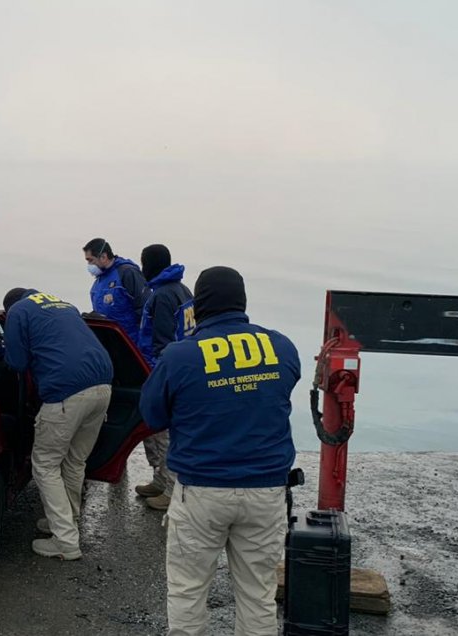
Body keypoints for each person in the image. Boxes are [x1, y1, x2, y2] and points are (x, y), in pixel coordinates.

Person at [139, 266, 301, 636]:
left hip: (201, 492)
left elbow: (151, 414)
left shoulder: (180, 356)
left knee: (187, 591)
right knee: (258, 594)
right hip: (267, 491)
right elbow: (280, 390)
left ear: (200, 306)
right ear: (242, 301)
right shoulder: (282, 346)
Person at [2, 287, 113, 560]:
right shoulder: (65, 304)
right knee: (75, 461)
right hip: (103, 387)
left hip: (66, 393)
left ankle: (65, 541)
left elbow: (15, 362)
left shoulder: (18, 311)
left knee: (45, 464)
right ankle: (67, 522)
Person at [134, 244, 192, 512]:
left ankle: (170, 489)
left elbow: (162, 342)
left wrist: (158, 377)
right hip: (185, 366)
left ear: (149, 265)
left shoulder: (163, 296)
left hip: (164, 369)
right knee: (159, 432)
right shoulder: (182, 289)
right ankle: (159, 481)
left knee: (164, 433)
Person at [83, 238, 150, 346]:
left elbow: (145, 307)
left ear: (103, 257)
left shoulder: (127, 273)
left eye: (90, 260)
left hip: (131, 344)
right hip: (110, 344)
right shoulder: (97, 284)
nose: (89, 265)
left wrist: (143, 345)